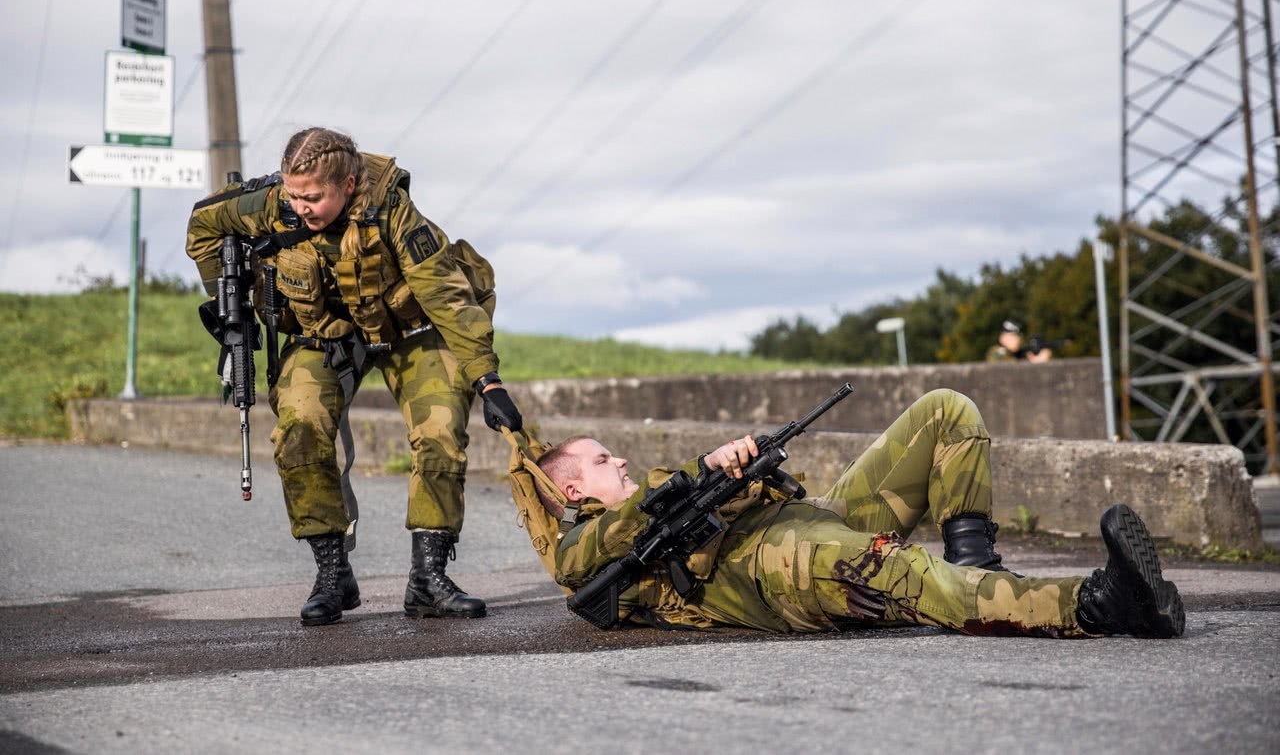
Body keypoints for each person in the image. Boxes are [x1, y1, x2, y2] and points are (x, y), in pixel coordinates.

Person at [187, 126, 522, 626]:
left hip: (409, 327)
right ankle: (331, 574)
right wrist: (228, 299)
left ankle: (428, 579)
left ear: (347, 183)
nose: (300, 206)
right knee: (299, 428)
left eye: (314, 197)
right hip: (323, 333)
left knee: (440, 429)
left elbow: (447, 296)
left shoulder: (393, 212)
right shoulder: (269, 202)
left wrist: (487, 381)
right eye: (293, 194)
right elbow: (202, 226)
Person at [536, 389, 1184, 638]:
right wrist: (699, 475)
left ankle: (978, 571)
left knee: (946, 410)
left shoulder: (657, 490)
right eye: (599, 462)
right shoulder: (589, 548)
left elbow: (708, 498)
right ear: (571, 492)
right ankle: (1098, 604)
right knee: (918, 578)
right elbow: (575, 567)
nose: (617, 462)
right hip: (795, 568)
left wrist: (734, 471)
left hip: (815, 519)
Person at [985, 319, 1053, 363]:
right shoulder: (997, 352)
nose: (1018, 339)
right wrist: (1033, 362)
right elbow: (1001, 368)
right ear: (1002, 338)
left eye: (1018, 336)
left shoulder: (1021, 353)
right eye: (1013, 336)